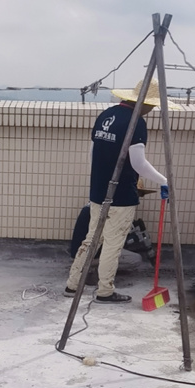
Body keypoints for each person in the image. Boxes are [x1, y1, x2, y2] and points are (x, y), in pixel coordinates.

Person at [64, 79, 173, 303]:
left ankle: (72, 285)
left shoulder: (106, 115)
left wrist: (100, 180)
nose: (151, 110)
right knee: (112, 245)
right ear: (144, 103)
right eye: (152, 105)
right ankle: (105, 291)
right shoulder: (136, 122)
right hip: (122, 196)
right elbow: (138, 163)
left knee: (91, 240)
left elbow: (92, 154)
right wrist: (164, 181)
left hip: (98, 192)